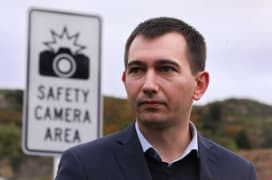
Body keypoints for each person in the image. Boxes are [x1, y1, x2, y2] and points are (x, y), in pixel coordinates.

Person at [55, 17, 257, 180]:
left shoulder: (238, 172)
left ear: (200, 84)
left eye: (166, 69)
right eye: (137, 70)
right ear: (125, 80)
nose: (149, 85)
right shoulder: (84, 166)